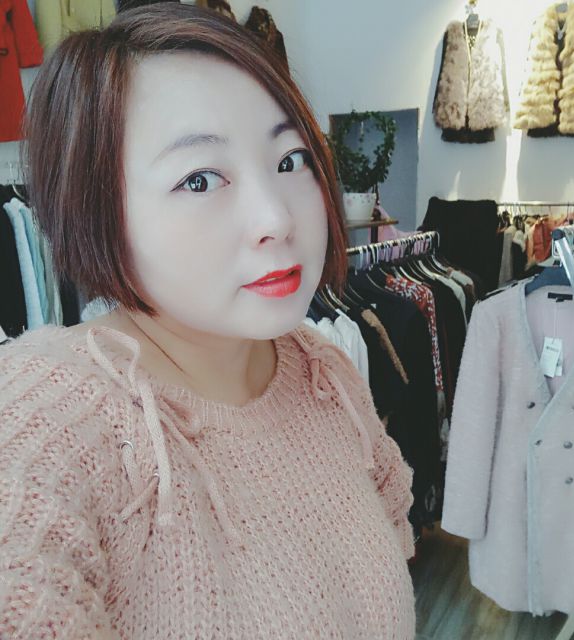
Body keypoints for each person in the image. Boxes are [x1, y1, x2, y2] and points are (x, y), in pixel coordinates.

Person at [0, 5, 416, 639]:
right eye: (199, 180)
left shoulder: (323, 373)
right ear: (96, 207)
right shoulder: (42, 419)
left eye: (290, 159)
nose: (276, 217)